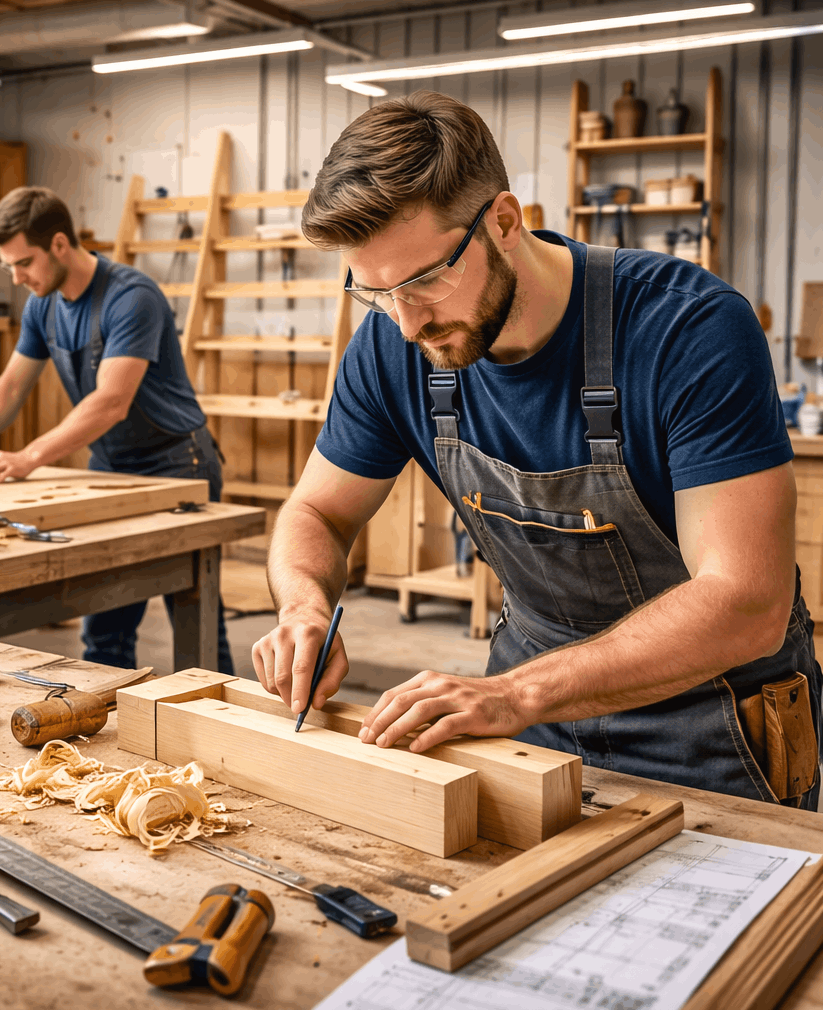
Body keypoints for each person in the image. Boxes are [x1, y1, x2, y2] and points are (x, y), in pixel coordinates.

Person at [254, 91, 821, 807]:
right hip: (528, 725)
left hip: (715, 728)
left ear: (504, 221)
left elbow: (746, 602)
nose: (406, 324)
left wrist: (515, 693)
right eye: (375, 293)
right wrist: (303, 606)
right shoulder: (392, 346)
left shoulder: (688, 328)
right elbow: (317, 514)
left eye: (426, 280)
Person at [0, 187, 233, 673]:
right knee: (105, 625)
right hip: (111, 464)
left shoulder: (131, 297)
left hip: (176, 464)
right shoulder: (44, 304)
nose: (17, 278)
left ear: (60, 244)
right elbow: (12, 384)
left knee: (196, 620)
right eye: (8, 268)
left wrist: (29, 457)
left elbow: (110, 401)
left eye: (24, 263)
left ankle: (227, 725)